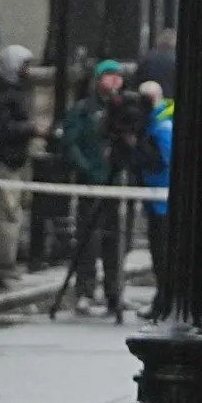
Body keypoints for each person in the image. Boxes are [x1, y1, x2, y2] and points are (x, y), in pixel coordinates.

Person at [61, 60, 127, 315]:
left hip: (115, 182)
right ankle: (85, 291)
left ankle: (114, 293)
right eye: (109, 75)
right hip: (92, 182)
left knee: (114, 241)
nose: (115, 80)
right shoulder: (84, 109)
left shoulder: (122, 107)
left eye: (118, 76)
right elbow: (71, 142)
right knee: (88, 239)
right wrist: (87, 168)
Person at [0, 45, 35, 289]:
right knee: (5, 215)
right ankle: (1, 266)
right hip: (5, 160)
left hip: (16, 159)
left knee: (13, 213)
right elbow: (2, 128)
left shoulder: (15, 91)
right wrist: (31, 128)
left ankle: (4, 263)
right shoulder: (3, 94)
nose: (28, 70)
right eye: (24, 65)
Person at [136, 81, 172, 318]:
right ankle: (162, 299)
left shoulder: (162, 125)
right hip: (154, 198)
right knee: (158, 252)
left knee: (162, 253)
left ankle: (165, 300)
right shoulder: (151, 123)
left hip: (163, 200)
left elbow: (163, 161)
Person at [136, 29, 178, 99]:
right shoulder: (177, 59)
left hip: (151, 100)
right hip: (171, 100)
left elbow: (138, 79)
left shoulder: (147, 58)